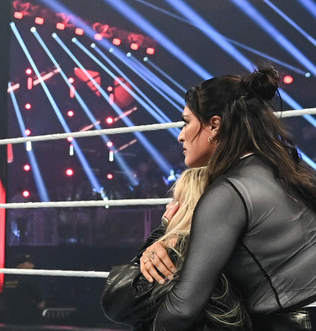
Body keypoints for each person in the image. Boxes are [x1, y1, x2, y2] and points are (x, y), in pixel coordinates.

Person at [141, 66, 316, 329]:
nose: (180, 135)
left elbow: (183, 309)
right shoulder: (288, 170)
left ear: (214, 125)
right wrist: (165, 239)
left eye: (186, 122)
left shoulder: (229, 192)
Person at [101, 167, 250, 329]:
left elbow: (116, 303)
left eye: (175, 200)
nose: (168, 206)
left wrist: (162, 231)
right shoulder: (233, 243)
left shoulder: (178, 252)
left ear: (185, 206)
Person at [3, 254, 44, 325]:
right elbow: (40, 302)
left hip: (9, 318)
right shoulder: (29, 280)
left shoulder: (7, 278)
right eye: (29, 263)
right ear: (20, 265)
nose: (32, 266)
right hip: (27, 320)